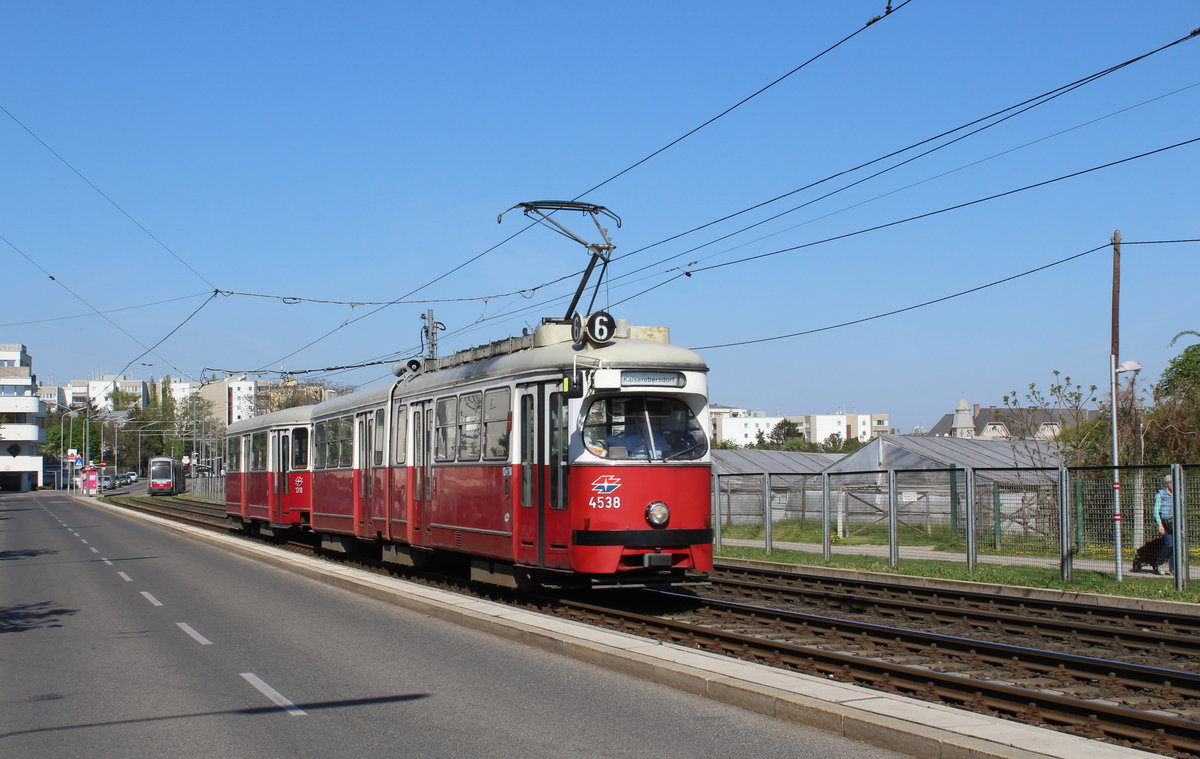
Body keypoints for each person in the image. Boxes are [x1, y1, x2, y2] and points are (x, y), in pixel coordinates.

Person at [1152, 475, 1176, 576]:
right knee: (1169, 544)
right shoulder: (1160, 494)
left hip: (1176, 522)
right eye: (1171, 482)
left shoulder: (1177, 494)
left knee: (1175, 546)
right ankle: (1159, 563)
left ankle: (1173, 569)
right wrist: (1160, 524)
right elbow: (1156, 511)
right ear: (1167, 483)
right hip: (1165, 522)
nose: (1173, 485)